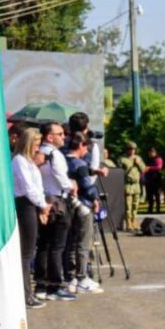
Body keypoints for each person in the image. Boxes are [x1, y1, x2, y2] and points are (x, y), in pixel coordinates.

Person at [35, 122, 75, 301]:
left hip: (43, 200)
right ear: (50, 137)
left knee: (44, 244)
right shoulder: (55, 154)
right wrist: (71, 186)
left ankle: (41, 284)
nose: (63, 137)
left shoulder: (38, 152)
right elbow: (60, 177)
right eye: (60, 134)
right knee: (57, 246)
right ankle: (55, 285)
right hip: (57, 201)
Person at [13, 128, 50, 309]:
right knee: (25, 253)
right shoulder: (19, 161)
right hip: (24, 204)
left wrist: (42, 205)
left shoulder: (27, 161)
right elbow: (28, 187)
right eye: (35, 144)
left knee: (28, 252)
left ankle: (27, 292)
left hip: (31, 204)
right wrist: (43, 205)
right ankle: (25, 295)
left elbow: (36, 187)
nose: (37, 148)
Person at [65, 133, 102, 294]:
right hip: (83, 206)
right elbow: (87, 186)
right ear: (80, 145)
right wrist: (95, 199)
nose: (86, 150)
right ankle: (82, 277)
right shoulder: (79, 164)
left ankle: (71, 277)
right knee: (83, 242)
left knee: (71, 243)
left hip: (69, 205)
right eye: (85, 146)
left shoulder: (62, 160)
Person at [119, 141, 145, 232]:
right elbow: (119, 172)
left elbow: (143, 170)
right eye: (130, 149)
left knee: (135, 205)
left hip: (136, 185)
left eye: (133, 149)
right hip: (128, 185)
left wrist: (138, 163)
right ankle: (128, 223)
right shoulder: (123, 159)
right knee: (128, 206)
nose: (132, 151)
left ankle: (134, 222)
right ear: (127, 150)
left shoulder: (138, 158)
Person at [143, 147, 164, 213]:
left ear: (155, 153)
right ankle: (150, 209)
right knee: (149, 195)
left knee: (157, 195)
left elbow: (159, 167)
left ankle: (158, 209)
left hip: (156, 180)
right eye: (149, 152)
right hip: (149, 180)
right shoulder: (147, 160)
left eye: (152, 152)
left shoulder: (158, 159)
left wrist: (149, 168)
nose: (150, 154)